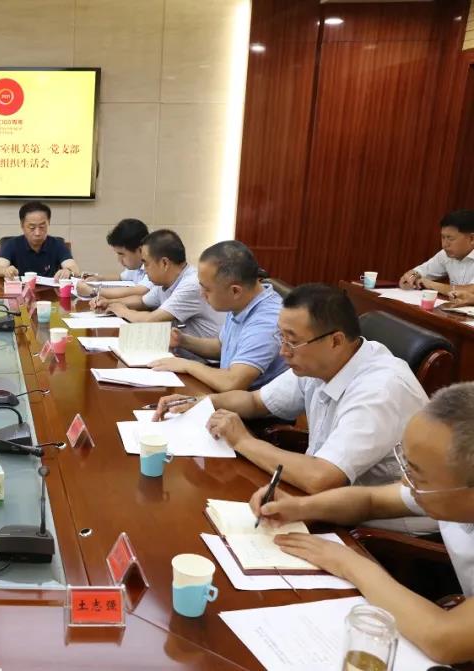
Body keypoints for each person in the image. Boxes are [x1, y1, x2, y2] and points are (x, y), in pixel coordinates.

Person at [249, 382, 474, 664]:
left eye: (418, 475)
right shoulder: (448, 490)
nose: (406, 482)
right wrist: (301, 507)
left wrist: (348, 562)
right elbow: (370, 500)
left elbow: (442, 638)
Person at [154, 284, 428, 498]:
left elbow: (322, 478)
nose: (282, 351)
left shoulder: (380, 390)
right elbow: (255, 401)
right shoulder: (321, 362)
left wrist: (243, 441)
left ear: (335, 341)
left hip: (374, 529)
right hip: (325, 498)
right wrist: (200, 402)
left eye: (292, 342)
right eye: (281, 337)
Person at [149, 240, 287, 391]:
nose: (202, 294)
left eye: (207, 289)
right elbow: (222, 347)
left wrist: (187, 365)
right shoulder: (243, 301)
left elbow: (232, 383)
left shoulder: (266, 321)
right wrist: (182, 340)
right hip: (227, 396)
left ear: (235, 291)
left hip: (248, 402)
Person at [104, 229, 225, 340]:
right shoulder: (164, 282)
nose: (144, 270)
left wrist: (123, 311)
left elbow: (150, 320)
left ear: (164, 263)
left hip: (199, 355)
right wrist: (109, 303)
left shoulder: (191, 284)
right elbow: (142, 301)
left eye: (146, 264)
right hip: (178, 351)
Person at [0, 201, 80, 280]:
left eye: (42, 227)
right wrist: (6, 271)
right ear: (22, 225)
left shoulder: (57, 244)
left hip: (49, 291)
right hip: (20, 290)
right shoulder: (12, 244)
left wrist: (68, 271)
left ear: (49, 223)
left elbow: (75, 268)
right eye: (32, 227)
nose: (37, 233)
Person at [77, 218, 153, 302]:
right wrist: (98, 278)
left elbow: (139, 291)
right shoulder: (136, 265)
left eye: (121, 254)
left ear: (140, 250)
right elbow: (121, 277)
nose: (119, 260)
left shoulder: (153, 265)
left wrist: (93, 291)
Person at [400, 209, 474, 292]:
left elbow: (471, 291)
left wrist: (432, 285)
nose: (444, 244)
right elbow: (421, 272)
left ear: (472, 238)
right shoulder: (446, 254)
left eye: (450, 238)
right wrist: (411, 276)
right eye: (443, 237)